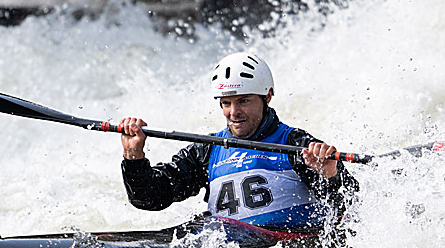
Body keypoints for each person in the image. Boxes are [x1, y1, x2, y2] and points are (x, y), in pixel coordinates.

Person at [117, 52, 358, 231]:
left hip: (280, 246)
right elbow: (150, 198)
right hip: (222, 247)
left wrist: (329, 175)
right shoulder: (207, 150)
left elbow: (350, 205)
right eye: (226, 103)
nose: (234, 112)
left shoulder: (296, 144)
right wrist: (134, 158)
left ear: (267, 97)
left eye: (244, 101)